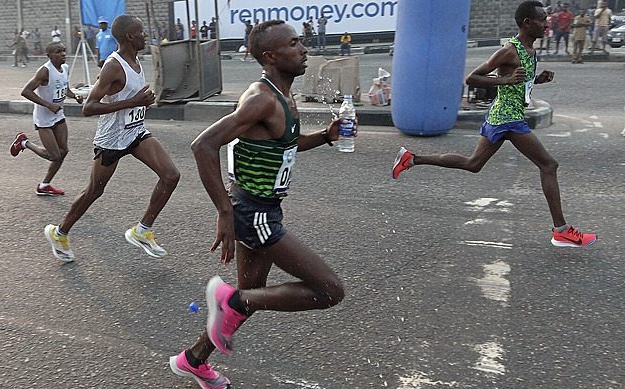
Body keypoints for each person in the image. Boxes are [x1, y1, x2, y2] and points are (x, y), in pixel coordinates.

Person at [168, 20, 349, 388]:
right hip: (255, 213)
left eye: (301, 41)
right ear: (271, 56)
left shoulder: (280, 94)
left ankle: (193, 360)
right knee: (329, 290)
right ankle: (227, 301)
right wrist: (225, 213)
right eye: (294, 43)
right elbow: (203, 146)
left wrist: (325, 137)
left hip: (258, 208)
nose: (304, 48)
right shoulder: (262, 98)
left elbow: (283, 145)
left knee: (246, 300)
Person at [392, 1, 597, 248]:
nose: (547, 23)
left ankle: (411, 159)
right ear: (527, 23)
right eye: (542, 19)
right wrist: (507, 80)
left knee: (473, 164)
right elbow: (472, 78)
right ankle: (561, 231)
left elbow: (521, 82)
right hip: (507, 118)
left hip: (504, 115)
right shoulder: (510, 50)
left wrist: (537, 80)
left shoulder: (530, 50)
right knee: (549, 164)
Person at [43, 15, 180, 262]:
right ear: (129, 37)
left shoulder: (136, 59)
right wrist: (134, 102)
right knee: (94, 191)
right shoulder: (113, 65)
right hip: (111, 139)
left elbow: (125, 97)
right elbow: (89, 107)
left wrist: (142, 104)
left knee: (171, 175)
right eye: (141, 31)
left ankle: (142, 231)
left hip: (136, 132)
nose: (145, 35)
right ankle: (59, 232)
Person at [10, 41, 83, 195]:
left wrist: (74, 95)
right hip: (43, 119)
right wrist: (48, 105)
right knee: (55, 155)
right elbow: (26, 91)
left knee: (63, 151)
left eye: (63, 51)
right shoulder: (44, 71)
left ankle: (44, 186)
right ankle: (24, 142)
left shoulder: (65, 68)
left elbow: (65, 89)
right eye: (58, 51)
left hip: (58, 115)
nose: (63, 54)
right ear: (49, 55)